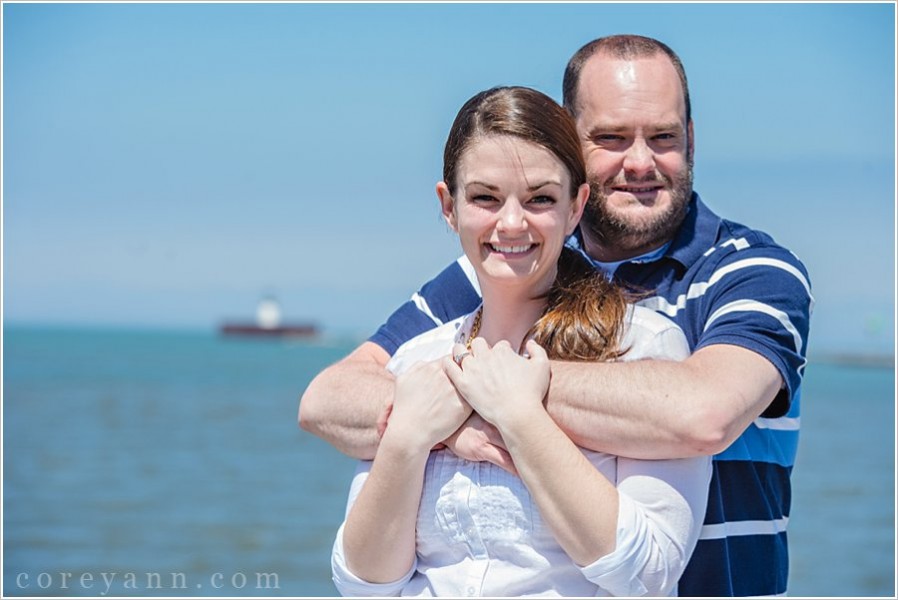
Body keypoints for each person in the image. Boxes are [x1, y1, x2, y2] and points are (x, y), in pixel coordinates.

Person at [300, 35, 813, 597]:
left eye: (663, 137)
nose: (640, 161)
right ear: (571, 140)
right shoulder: (500, 271)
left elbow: (701, 414)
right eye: (612, 137)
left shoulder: (751, 270)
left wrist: (500, 390)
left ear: (690, 138)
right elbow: (331, 399)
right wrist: (456, 421)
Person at [330, 85, 712, 597]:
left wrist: (521, 416)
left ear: (576, 207)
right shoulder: (418, 359)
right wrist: (408, 436)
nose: (512, 223)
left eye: (540, 199)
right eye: (485, 197)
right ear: (449, 207)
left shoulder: (640, 348)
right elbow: (362, 584)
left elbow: (649, 575)